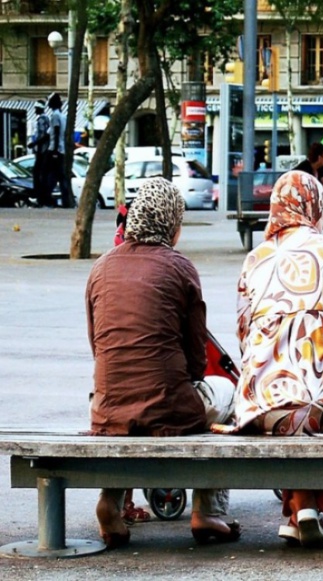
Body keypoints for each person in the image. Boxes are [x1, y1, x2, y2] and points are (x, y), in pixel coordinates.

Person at [211, 171, 323, 548]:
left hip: (260, 404)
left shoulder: (255, 258)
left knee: (288, 409)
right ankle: (306, 505)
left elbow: (243, 335)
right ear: (314, 205)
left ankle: (298, 507)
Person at [87, 178, 240, 549]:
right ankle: (208, 509)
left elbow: (98, 345)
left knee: (123, 408)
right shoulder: (180, 268)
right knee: (228, 393)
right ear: (171, 223)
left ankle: (110, 501)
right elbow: (196, 360)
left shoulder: (100, 269)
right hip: (169, 408)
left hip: (107, 409)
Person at [46, 93, 73, 208]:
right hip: (60, 149)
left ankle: (47, 198)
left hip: (54, 149)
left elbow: (56, 132)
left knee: (50, 174)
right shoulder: (62, 116)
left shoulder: (55, 116)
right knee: (59, 176)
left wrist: (55, 151)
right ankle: (64, 199)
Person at [27, 99, 51, 207]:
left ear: (39, 109)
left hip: (42, 150)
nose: (34, 110)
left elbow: (44, 135)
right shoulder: (46, 119)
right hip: (43, 150)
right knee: (41, 174)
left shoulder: (41, 120)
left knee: (38, 174)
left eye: (36, 108)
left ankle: (38, 197)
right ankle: (41, 197)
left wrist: (34, 144)